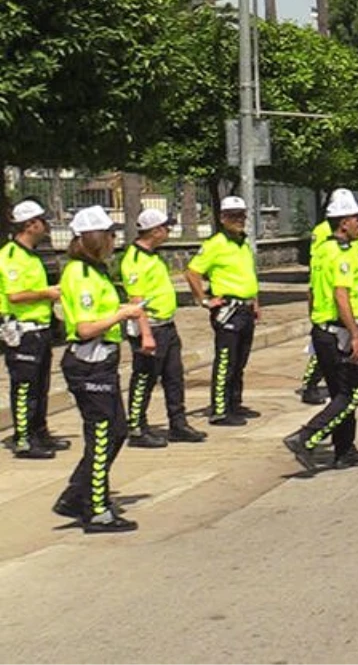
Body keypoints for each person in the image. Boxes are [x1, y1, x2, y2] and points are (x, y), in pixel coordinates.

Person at [53, 206, 148, 533]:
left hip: (102, 361)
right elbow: (84, 328)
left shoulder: (97, 272)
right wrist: (123, 316)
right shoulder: (78, 274)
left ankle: (75, 495)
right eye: (109, 234)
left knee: (116, 430)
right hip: (88, 363)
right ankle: (96, 509)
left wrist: (124, 310)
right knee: (102, 434)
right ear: (94, 238)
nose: (113, 239)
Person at [283, 189, 358, 471]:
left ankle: (345, 449)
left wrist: (316, 323)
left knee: (340, 393)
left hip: (323, 330)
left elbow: (312, 292)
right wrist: (355, 335)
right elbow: (341, 296)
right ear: (344, 222)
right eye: (357, 219)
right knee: (353, 393)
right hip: (339, 332)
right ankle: (307, 436)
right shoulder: (342, 256)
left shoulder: (322, 250)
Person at [122, 208, 207, 446]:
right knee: (144, 378)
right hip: (150, 326)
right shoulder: (135, 260)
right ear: (156, 230)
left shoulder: (154, 256)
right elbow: (136, 301)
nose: (169, 231)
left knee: (174, 377)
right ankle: (137, 427)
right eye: (166, 227)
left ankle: (178, 423)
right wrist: (146, 334)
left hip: (167, 325)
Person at [1, 199, 68, 459]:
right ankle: (24, 438)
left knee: (41, 385)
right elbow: (15, 295)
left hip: (40, 328)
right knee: (25, 386)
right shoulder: (11, 256)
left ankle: (39, 431)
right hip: (22, 331)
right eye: (43, 221)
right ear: (31, 225)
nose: (47, 226)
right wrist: (46, 293)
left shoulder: (31, 255)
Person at [185, 196, 260, 426]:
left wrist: (255, 301)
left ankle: (234, 403)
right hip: (228, 310)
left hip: (245, 308)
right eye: (233, 216)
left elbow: (248, 274)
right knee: (226, 360)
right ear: (222, 218)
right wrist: (204, 300)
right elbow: (192, 272)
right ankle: (219, 409)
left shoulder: (243, 242)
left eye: (242, 215)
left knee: (240, 361)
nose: (239, 220)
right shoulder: (215, 244)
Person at [299, 203, 358, 405]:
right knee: (341, 395)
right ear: (344, 222)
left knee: (350, 361)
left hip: (347, 309)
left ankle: (356, 388)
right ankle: (311, 392)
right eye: (357, 220)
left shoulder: (350, 242)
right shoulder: (327, 243)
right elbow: (332, 289)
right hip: (332, 317)